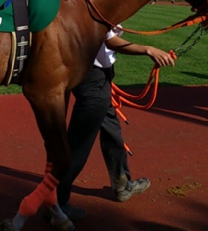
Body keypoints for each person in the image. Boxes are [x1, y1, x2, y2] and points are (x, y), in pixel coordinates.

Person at [50, 26, 175, 221]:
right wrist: (148, 49)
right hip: (92, 76)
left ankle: (122, 184)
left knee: (111, 129)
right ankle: (55, 203)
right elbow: (108, 39)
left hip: (97, 74)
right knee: (78, 144)